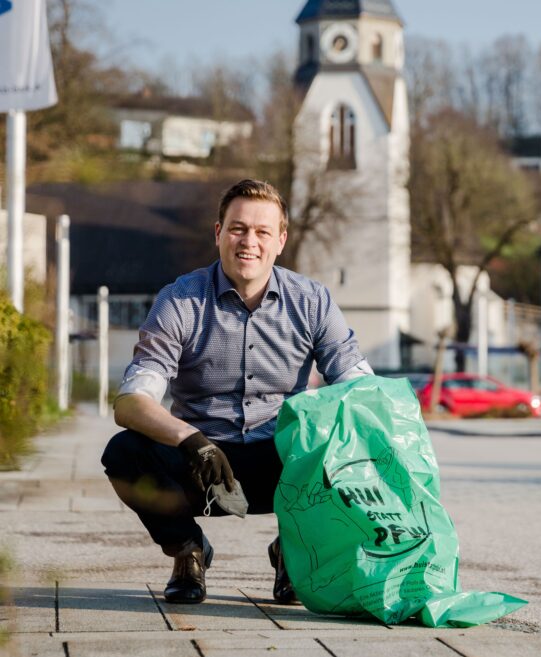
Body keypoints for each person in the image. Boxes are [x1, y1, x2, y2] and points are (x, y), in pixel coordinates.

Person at [101, 179, 373, 605]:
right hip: (201, 462)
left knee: (350, 444)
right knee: (123, 453)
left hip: (282, 464)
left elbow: (358, 385)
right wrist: (191, 441)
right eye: (237, 228)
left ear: (281, 240)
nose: (249, 242)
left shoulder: (313, 301)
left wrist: (392, 433)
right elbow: (131, 402)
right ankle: (189, 551)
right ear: (218, 233)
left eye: (263, 232)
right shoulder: (179, 301)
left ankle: (296, 553)